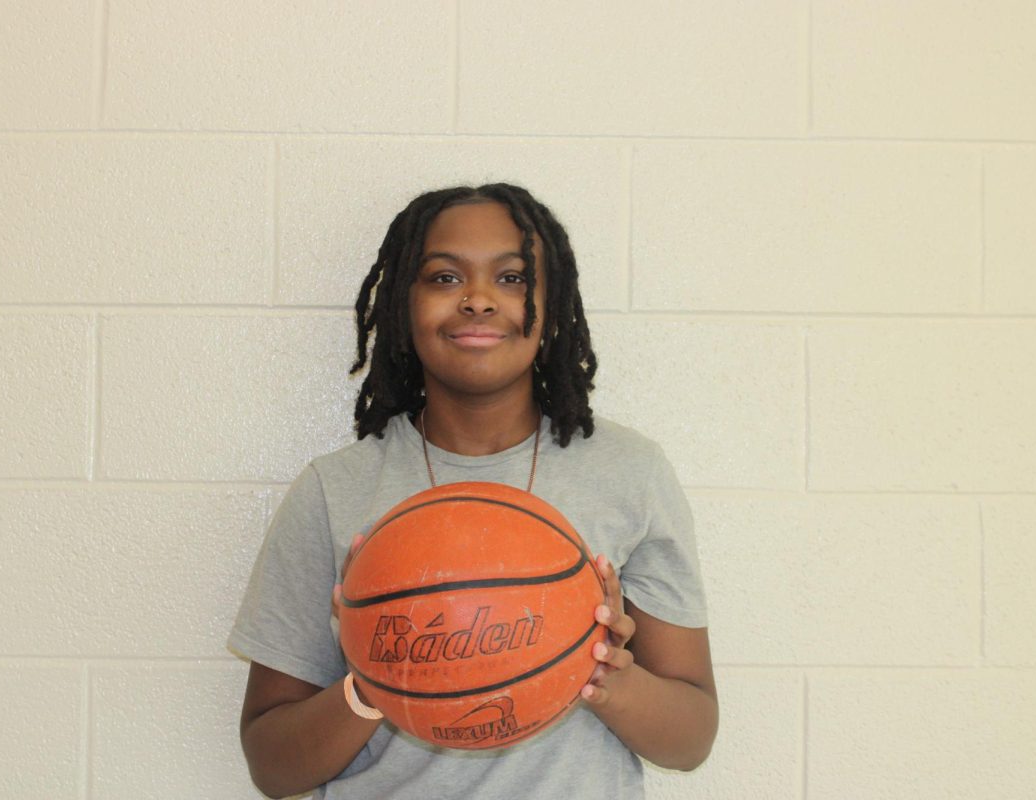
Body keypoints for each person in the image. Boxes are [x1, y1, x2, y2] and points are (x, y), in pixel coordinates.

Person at [228, 183, 718, 799]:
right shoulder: (337, 489)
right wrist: (372, 684)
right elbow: (272, 766)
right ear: (404, 306)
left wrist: (601, 674)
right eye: (443, 278)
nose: (479, 301)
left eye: (512, 279)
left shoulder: (629, 474)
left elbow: (692, 738)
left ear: (552, 304)